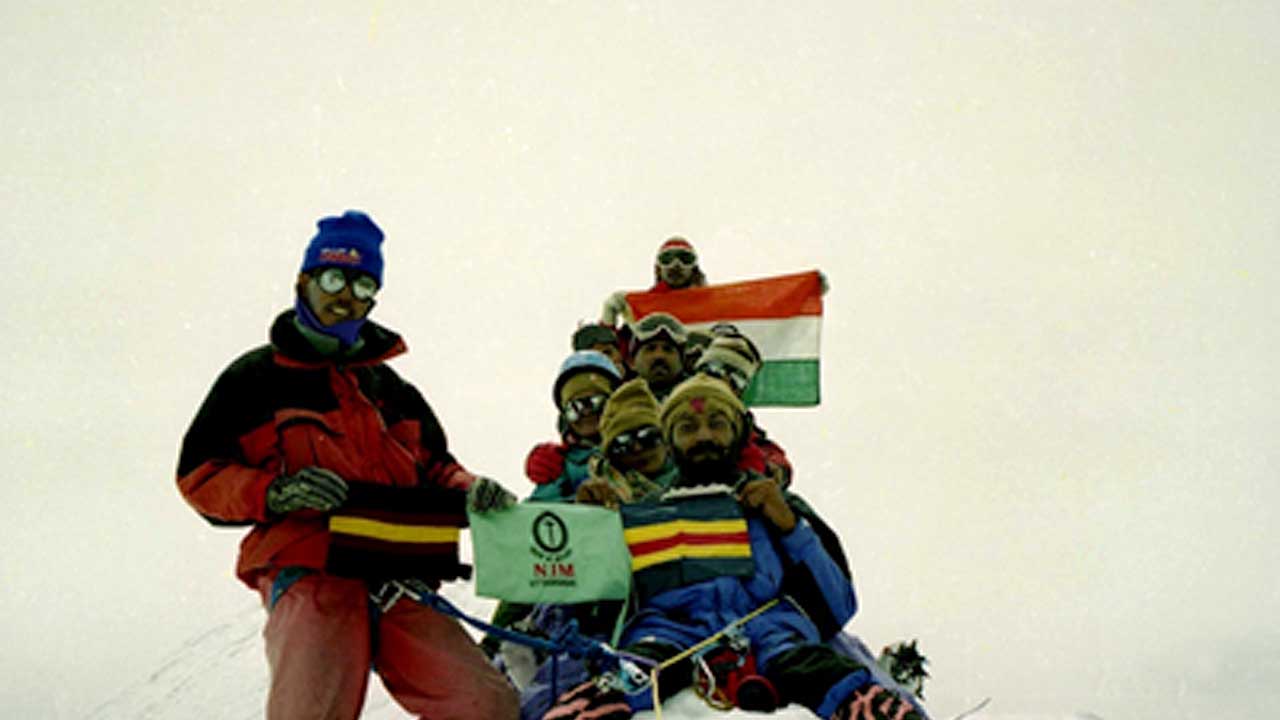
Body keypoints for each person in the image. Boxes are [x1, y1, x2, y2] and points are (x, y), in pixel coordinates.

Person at [176, 210, 519, 719]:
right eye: (335, 277)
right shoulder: (255, 378)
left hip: (400, 573)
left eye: (363, 284)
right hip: (312, 570)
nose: (347, 295)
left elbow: (437, 467)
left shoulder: (390, 390)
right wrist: (273, 491)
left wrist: (471, 489)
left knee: (485, 705)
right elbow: (200, 474)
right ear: (305, 281)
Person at [539, 376, 924, 720]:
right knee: (605, 696)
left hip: (778, 641)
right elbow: (589, 612)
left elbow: (838, 605)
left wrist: (790, 528)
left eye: (717, 423)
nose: (703, 435)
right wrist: (589, 534)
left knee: (860, 698)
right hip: (665, 640)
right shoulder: (642, 516)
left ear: (738, 433)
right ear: (671, 441)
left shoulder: (780, 507)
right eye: (688, 427)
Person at [695, 331, 794, 488]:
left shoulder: (748, 434)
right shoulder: (660, 411)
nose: (724, 381)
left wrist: (775, 468)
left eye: (736, 379)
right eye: (715, 369)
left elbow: (773, 461)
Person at [525, 350, 623, 502]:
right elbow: (539, 510)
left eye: (595, 402)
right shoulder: (563, 467)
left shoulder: (639, 445)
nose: (586, 413)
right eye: (575, 408)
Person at [574, 377, 678, 508]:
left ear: (666, 439)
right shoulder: (600, 495)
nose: (637, 448)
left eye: (647, 436)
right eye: (623, 443)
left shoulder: (698, 480)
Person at [600, 236, 708, 326]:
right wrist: (610, 309)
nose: (675, 265)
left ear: (694, 270)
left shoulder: (711, 305)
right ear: (658, 270)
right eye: (666, 259)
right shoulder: (641, 311)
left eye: (685, 259)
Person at [625, 312, 688, 403]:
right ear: (632, 362)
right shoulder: (618, 402)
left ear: (682, 361)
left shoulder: (701, 396)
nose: (659, 356)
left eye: (668, 349)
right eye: (650, 349)